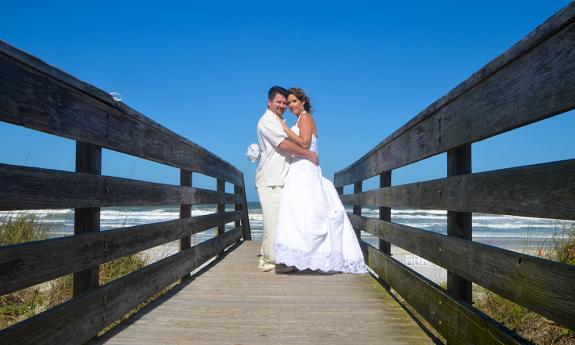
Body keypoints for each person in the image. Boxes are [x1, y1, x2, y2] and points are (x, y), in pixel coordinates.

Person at [274, 88, 367, 274]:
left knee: (309, 212)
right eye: (289, 102)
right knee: (298, 211)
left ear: (303, 102)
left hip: (305, 169)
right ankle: (298, 257)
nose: (291, 105)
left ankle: (313, 256)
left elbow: (304, 142)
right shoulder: (300, 119)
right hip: (298, 167)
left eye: (294, 101)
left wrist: (284, 129)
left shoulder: (306, 117)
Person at [255, 86, 318, 272]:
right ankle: (270, 261)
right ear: (269, 102)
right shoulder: (268, 121)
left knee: (282, 223)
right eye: (279, 102)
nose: (283, 105)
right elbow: (283, 145)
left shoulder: (278, 120)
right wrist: (307, 154)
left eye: (286, 102)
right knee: (272, 223)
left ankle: (280, 257)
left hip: (284, 179)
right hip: (271, 180)